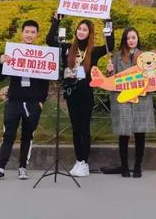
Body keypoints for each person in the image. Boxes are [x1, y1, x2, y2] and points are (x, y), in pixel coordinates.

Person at [47, 13, 114, 177]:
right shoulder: (68, 48)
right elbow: (50, 40)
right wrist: (57, 20)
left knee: (84, 128)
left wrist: (108, 21)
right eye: (80, 29)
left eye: (85, 30)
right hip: (71, 93)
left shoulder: (95, 51)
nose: (81, 32)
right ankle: (78, 160)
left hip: (86, 93)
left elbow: (110, 45)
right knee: (75, 128)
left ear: (89, 33)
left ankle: (84, 161)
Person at [0, 19, 48, 182]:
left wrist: (41, 102)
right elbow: (0, 77)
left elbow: (45, 81)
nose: (29, 35)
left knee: (28, 136)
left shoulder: (41, 54)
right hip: (14, 101)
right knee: (8, 135)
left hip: (33, 103)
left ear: (37, 35)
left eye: (33, 32)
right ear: (22, 33)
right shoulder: (13, 51)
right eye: (27, 32)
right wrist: (1, 62)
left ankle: (23, 167)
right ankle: (0, 168)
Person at [106, 27, 156, 178]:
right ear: (124, 40)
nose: (131, 40)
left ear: (137, 39)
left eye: (133, 37)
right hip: (123, 98)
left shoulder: (145, 56)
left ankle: (137, 166)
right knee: (124, 134)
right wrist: (109, 71)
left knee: (139, 133)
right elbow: (111, 80)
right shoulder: (116, 57)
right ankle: (124, 167)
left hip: (141, 99)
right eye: (128, 38)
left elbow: (153, 77)